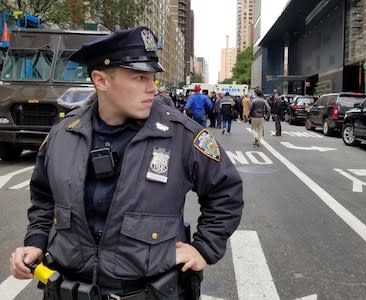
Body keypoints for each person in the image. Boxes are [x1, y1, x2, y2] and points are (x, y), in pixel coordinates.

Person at [9, 26, 243, 299]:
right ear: (101, 80)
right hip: (68, 290)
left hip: (147, 291)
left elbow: (226, 192)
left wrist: (204, 248)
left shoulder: (181, 134)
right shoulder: (63, 134)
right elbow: (43, 198)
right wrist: (36, 242)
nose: (152, 88)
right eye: (139, 77)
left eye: (153, 77)